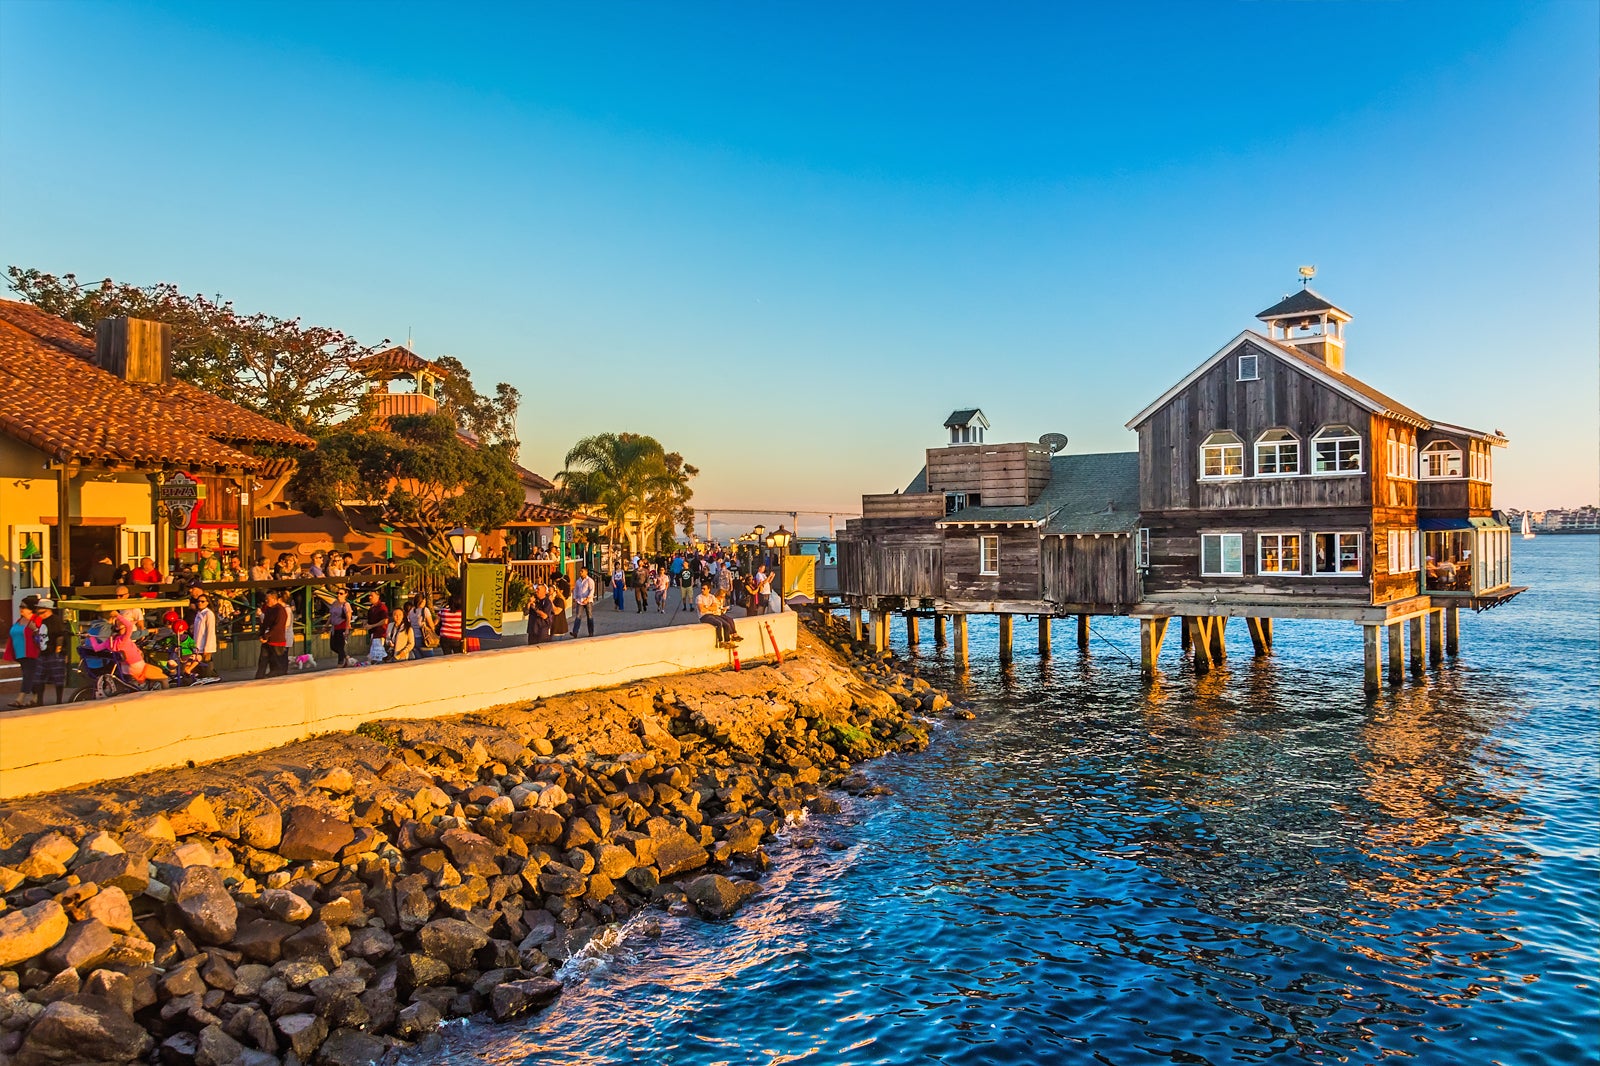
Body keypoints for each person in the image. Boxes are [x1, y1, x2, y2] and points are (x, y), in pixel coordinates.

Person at [31, 600, 70, 705]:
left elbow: (60, 636)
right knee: (39, 678)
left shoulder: (55, 621)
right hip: (44, 652)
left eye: (41, 612)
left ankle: (59, 700)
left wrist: (58, 649)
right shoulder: (43, 622)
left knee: (58, 678)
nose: (39, 614)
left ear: (47, 610)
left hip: (53, 653)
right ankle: (39, 701)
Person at [7, 604, 38, 708]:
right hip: (20, 653)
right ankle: (36, 698)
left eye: (24, 608)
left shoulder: (34, 621)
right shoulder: (19, 621)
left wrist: (35, 630)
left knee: (28, 675)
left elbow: (41, 636)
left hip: (31, 653)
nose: (21, 610)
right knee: (29, 675)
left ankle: (20, 699)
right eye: (21, 608)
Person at [256, 589, 292, 679]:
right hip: (267, 640)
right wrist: (261, 634)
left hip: (277, 641)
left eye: (268, 599)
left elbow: (278, 627)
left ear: (274, 599)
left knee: (276, 664)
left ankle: (276, 679)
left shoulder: (280, 610)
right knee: (262, 660)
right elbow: (265, 623)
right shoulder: (268, 609)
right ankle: (259, 677)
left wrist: (266, 635)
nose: (266, 601)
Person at [191, 594, 218, 674]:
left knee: (206, 663)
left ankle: (211, 677)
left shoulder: (208, 614)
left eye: (202, 601)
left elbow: (210, 631)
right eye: (198, 601)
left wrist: (207, 647)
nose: (200, 603)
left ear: (207, 603)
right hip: (197, 644)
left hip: (205, 644)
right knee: (198, 664)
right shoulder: (198, 614)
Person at [328, 588, 352, 666]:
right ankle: (346, 657)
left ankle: (340, 662)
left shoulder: (346, 604)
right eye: (338, 593)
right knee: (333, 646)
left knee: (340, 645)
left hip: (342, 626)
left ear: (345, 594)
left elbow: (348, 616)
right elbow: (331, 616)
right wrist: (326, 625)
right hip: (334, 627)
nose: (338, 595)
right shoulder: (334, 603)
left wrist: (347, 629)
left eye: (341, 593)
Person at [570, 567, 596, 637]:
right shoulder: (578, 581)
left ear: (586, 572)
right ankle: (575, 632)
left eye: (582, 571)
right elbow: (575, 590)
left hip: (588, 601)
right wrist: (574, 597)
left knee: (589, 616)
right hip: (580, 601)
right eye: (580, 571)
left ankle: (591, 632)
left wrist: (587, 598)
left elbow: (592, 590)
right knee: (578, 616)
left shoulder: (589, 580)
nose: (580, 572)